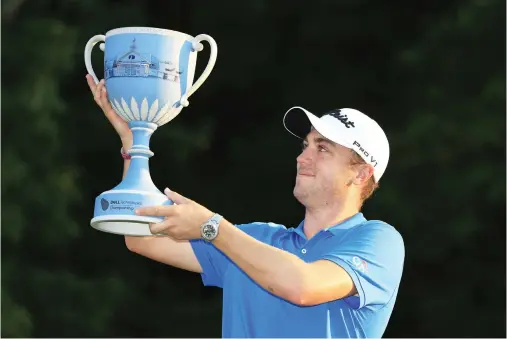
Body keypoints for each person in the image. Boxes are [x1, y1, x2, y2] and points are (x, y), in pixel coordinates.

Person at [86, 75, 405, 338]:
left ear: (361, 174)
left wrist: (212, 227)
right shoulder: (256, 240)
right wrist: (134, 144)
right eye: (305, 145)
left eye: (322, 150)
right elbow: (141, 237)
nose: (302, 157)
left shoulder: (379, 241)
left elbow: (303, 286)